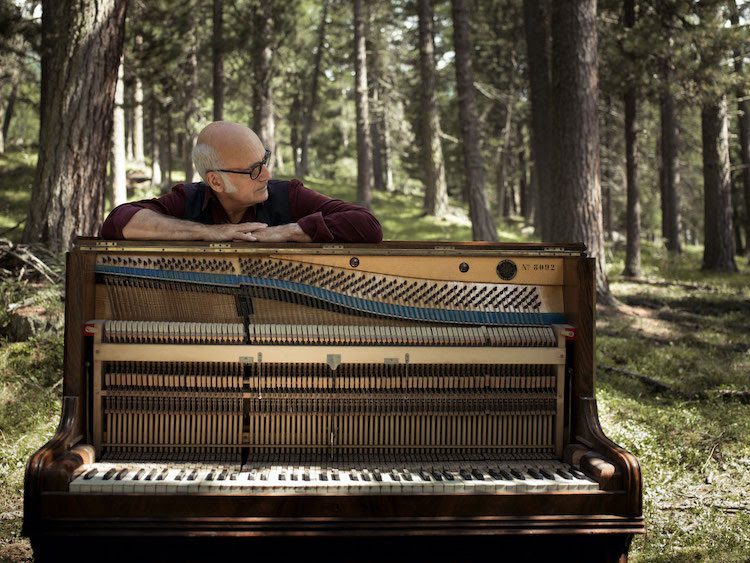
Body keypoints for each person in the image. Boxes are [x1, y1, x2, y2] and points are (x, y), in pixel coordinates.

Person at [101, 121, 383, 243]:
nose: (267, 175)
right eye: (253, 170)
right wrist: (209, 232)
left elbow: (366, 224)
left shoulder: (288, 196)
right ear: (216, 181)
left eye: (265, 161)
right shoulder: (188, 200)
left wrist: (288, 232)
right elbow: (118, 221)